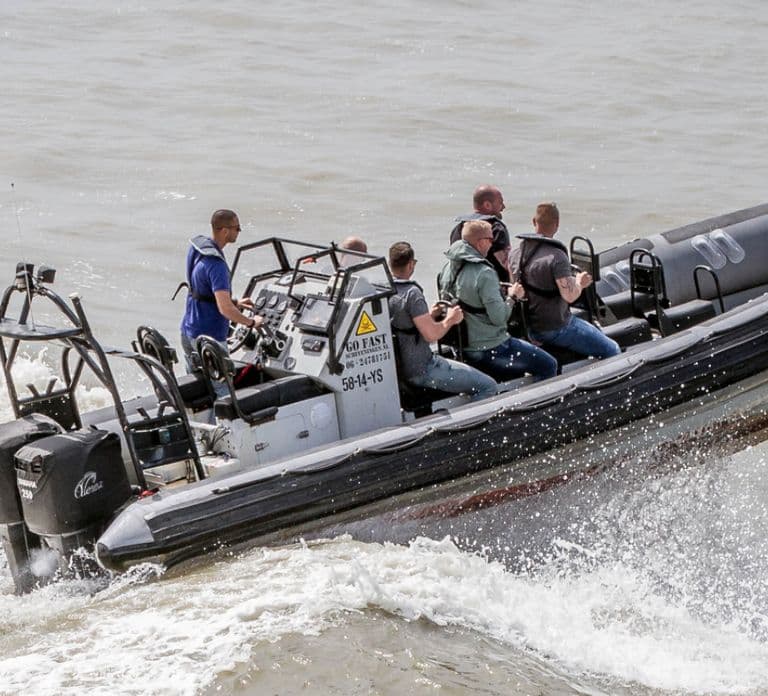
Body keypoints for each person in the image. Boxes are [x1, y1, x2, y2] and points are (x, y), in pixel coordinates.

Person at [438, 220, 558, 382]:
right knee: (549, 364)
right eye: (490, 240)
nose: (492, 244)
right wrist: (513, 296)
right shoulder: (484, 273)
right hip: (490, 348)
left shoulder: (447, 268)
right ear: (480, 242)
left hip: (462, 346)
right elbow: (499, 318)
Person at [388, 242, 497, 401]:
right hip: (423, 369)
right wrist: (451, 319)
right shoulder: (412, 294)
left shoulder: (388, 291)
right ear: (411, 264)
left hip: (403, 368)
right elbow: (431, 336)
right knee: (488, 386)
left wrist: (431, 315)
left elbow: (405, 325)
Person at [509, 202, 620, 359]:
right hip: (555, 327)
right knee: (612, 349)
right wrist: (580, 282)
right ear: (557, 224)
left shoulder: (515, 252)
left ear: (534, 221)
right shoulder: (557, 257)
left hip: (529, 327)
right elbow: (570, 296)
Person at [180, 209, 264, 375]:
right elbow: (225, 309)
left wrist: (235, 303)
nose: (239, 231)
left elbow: (203, 289)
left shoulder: (197, 250)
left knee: (197, 383)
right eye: (237, 228)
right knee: (222, 385)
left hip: (188, 331)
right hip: (209, 339)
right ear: (225, 231)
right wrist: (251, 322)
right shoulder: (217, 266)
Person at [449, 184, 511, 283]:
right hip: (491, 286)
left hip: (460, 285)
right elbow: (507, 264)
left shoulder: (458, 228)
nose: (503, 207)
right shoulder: (496, 228)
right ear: (487, 205)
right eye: (500, 203)